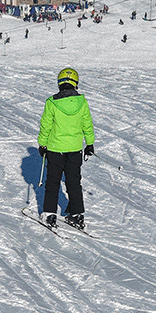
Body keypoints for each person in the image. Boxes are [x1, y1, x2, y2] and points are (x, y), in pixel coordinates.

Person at [36, 66, 95, 229]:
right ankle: (77, 214)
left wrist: (42, 144)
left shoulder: (52, 102)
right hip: (75, 149)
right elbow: (87, 124)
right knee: (74, 182)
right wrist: (89, 144)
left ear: (59, 83)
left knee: (53, 181)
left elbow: (46, 125)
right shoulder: (82, 102)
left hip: (56, 149)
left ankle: (49, 213)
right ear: (75, 83)